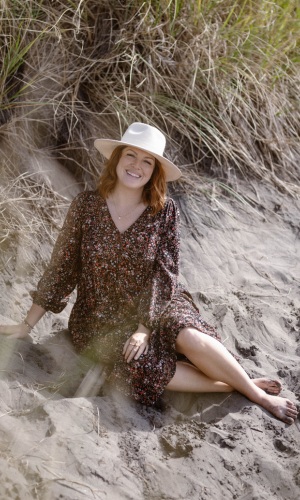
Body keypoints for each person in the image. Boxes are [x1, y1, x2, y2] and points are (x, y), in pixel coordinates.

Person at [0, 123, 297, 424]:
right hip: (100, 317)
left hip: (158, 300)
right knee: (140, 364)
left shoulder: (164, 210)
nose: (136, 166)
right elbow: (62, 268)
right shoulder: (85, 207)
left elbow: (166, 273)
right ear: (116, 158)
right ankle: (239, 383)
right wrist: (27, 324)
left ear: (154, 170)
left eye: (147, 161)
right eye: (130, 155)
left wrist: (144, 327)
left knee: (189, 337)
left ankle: (258, 395)